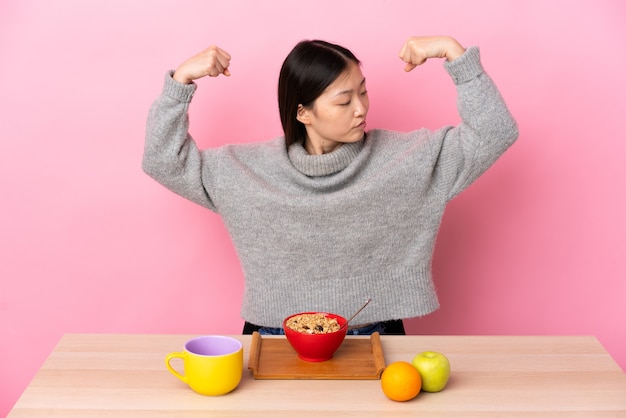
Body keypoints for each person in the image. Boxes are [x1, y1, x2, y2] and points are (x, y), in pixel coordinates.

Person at [142, 36, 518, 336]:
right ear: (303, 112)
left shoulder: (407, 160)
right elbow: (163, 160)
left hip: (377, 336)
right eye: (344, 100)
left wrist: (455, 54)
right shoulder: (245, 171)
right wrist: (179, 84)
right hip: (274, 339)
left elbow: (494, 131)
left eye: (363, 91)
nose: (361, 108)